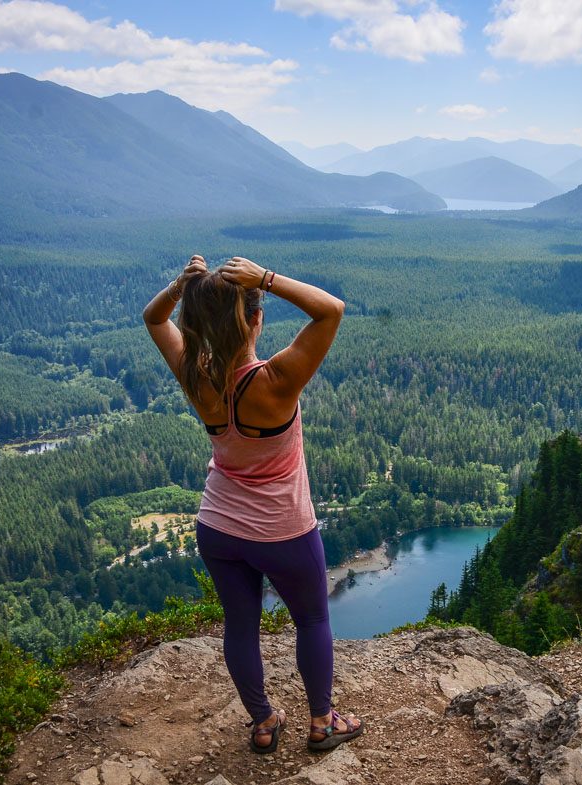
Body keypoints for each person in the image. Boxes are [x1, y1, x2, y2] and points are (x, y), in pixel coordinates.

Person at [143, 254, 361, 754]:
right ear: (256, 319)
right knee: (311, 620)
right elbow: (331, 310)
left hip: (218, 527)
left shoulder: (195, 377)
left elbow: (153, 318)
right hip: (284, 530)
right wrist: (265, 278)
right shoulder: (276, 380)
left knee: (241, 624)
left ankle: (264, 722)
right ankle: (322, 723)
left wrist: (182, 286)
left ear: (197, 323)